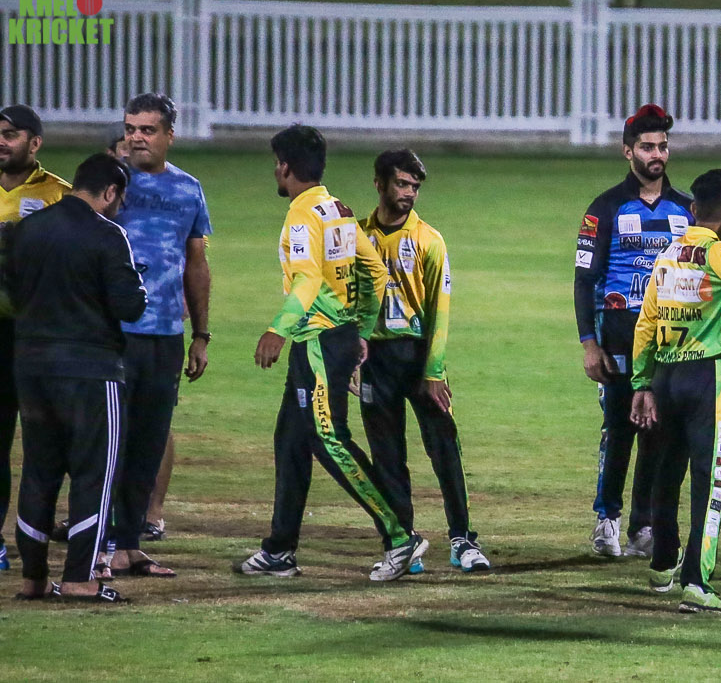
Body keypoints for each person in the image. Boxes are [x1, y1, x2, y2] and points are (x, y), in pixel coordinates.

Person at [234, 125, 422, 582]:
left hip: (317, 342)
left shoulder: (302, 216)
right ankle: (279, 550)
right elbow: (375, 271)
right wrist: (361, 329)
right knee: (291, 441)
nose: (274, 172)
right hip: (335, 337)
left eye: (275, 164)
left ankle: (401, 536)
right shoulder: (337, 209)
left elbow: (307, 279)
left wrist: (277, 330)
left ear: (285, 167)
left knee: (329, 438)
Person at [629, 169, 721, 613]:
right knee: (710, 482)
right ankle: (696, 581)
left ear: (692, 209)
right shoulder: (719, 255)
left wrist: (641, 383)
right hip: (706, 378)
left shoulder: (667, 255)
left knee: (666, 473)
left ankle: (662, 562)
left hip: (665, 377)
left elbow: (646, 323)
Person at [6, 153, 146, 602]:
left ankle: (32, 578)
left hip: (31, 367)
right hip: (91, 371)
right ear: (110, 192)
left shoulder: (28, 229)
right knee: (94, 473)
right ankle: (80, 577)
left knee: (38, 472)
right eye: (119, 199)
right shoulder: (108, 235)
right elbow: (130, 306)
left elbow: (12, 292)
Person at [357, 149, 489, 573]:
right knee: (387, 455)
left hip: (418, 357)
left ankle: (462, 540)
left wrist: (433, 372)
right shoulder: (356, 236)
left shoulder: (429, 240)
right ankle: (403, 542)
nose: (409, 193)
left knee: (444, 447)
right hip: (374, 360)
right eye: (401, 184)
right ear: (379, 183)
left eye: (414, 186)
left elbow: (439, 310)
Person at [102, 93, 212, 579]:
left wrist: (201, 334)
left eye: (147, 130)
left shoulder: (189, 189)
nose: (136, 137)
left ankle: (129, 545)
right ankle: (100, 543)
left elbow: (196, 263)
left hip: (166, 334)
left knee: (148, 442)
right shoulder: (109, 185)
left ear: (170, 135)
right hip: (113, 334)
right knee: (110, 443)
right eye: (131, 128)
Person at [574, 104, 692, 558]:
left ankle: (643, 525)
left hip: (671, 342)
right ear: (628, 152)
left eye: (662, 146)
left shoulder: (687, 209)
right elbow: (584, 279)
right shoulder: (604, 207)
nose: (656, 154)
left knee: (658, 433)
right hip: (620, 338)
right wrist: (590, 344)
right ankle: (607, 518)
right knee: (619, 429)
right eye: (646, 147)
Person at [0, 104, 72, 571]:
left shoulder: (59, 195)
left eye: (10, 134)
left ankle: (38, 538)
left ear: (35, 142)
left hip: (41, 334)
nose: (1, 141)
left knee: (47, 442)